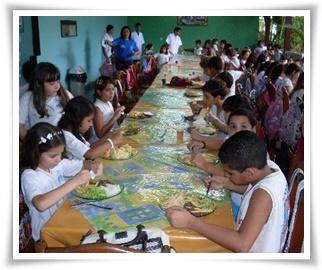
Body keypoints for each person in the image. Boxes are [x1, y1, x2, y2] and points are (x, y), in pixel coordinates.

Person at [166, 130, 289, 252]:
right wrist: (227, 183)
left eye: (230, 173)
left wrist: (191, 222)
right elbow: (253, 189)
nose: (225, 174)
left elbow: (241, 244)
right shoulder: (270, 167)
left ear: (250, 172)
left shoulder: (263, 196)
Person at [20, 122, 103, 242]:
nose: (58, 159)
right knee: (94, 240)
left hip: (64, 218)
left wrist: (93, 165)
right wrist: (74, 182)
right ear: (35, 153)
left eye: (61, 153)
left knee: (97, 225)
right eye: (53, 156)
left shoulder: (57, 164)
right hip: (48, 234)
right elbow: (41, 204)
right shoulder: (30, 176)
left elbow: (83, 164)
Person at [58, 96, 123, 161]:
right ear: (77, 119)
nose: (91, 124)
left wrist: (108, 136)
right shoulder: (67, 137)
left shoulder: (75, 132)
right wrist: (112, 142)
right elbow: (90, 155)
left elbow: (89, 148)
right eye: (89, 120)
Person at [19, 62, 73, 140]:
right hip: (39, 143)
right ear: (38, 84)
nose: (57, 86)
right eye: (51, 83)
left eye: (58, 81)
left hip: (63, 141)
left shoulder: (64, 95)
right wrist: (33, 144)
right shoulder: (27, 98)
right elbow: (19, 126)